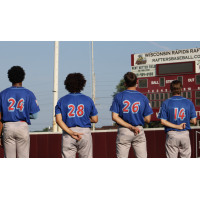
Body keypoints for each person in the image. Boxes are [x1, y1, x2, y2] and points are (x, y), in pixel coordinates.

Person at [110, 72, 153, 158]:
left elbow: (114, 117)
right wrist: (137, 119)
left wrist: (130, 126)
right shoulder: (143, 97)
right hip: (139, 129)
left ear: (125, 83)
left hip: (124, 130)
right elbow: (148, 119)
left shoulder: (118, 96)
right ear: (137, 82)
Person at [0, 66, 40, 158]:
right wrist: (22, 113)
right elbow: (35, 115)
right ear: (23, 77)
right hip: (22, 125)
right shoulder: (29, 93)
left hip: (8, 126)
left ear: (10, 78)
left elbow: (0, 117)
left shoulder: (2, 94)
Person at [55, 73, 98, 158]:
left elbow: (58, 120)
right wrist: (83, 119)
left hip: (68, 132)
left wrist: (71, 132)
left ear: (67, 84)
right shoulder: (88, 99)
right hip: (84, 132)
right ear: (82, 84)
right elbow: (95, 119)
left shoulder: (61, 100)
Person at [158, 80, 197, 158]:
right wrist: (184, 120)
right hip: (185, 133)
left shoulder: (166, 102)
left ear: (171, 89)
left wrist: (176, 126)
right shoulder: (189, 102)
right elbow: (194, 121)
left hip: (172, 134)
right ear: (181, 89)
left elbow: (162, 121)